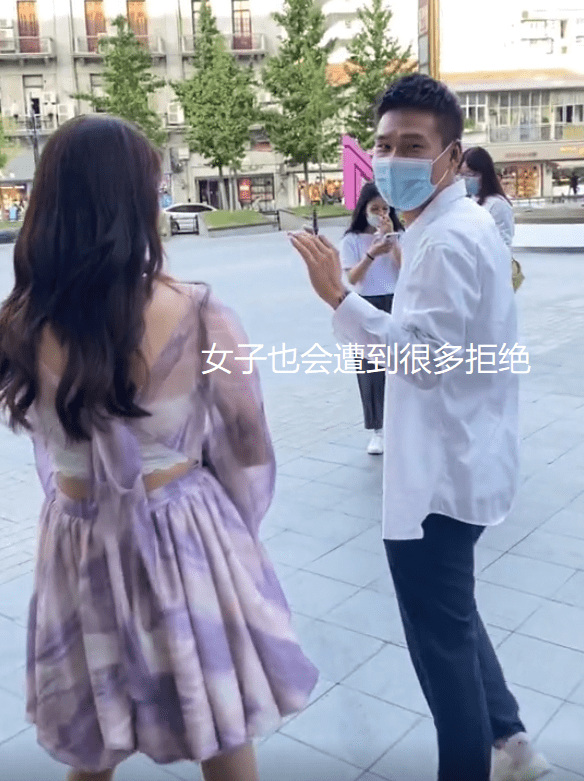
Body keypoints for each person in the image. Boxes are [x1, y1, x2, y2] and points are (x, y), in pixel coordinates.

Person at [0, 115, 318, 781]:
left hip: (76, 541)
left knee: (94, 732)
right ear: (135, 203)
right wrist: (238, 531)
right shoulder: (199, 313)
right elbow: (248, 445)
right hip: (183, 533)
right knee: (220, 721)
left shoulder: (19, 324)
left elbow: (47, 445)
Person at [289, 74, 550, 781]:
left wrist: (339, 296)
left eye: (412, 146)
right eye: (382, 144)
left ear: (450, 156)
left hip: (439, 478)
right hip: (462, 457)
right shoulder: (449, 227)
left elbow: (425, 360)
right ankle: (513, 744)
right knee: (454, 615)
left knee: (441, 648)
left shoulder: (446, 240)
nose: (392, 159)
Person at [339, 182, 403, 455]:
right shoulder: (351, 240)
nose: (380, 214)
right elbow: (353, 278)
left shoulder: (400, 235)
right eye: (374, 208)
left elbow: (407, 269)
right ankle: (377, 430)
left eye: (384, 208)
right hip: (366, 303)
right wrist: (371, 254)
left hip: (397, 301)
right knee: (370, 368)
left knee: (402, 365)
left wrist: (392, 242)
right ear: (363, 209)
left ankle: (402, 425)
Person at [460, 147, 524, 292]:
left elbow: (503, 243)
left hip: (491, 276)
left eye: (471, 174)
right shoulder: (470, 200)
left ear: (485, 174)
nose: (466, 179)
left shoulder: (498, 204)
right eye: (462, 174)